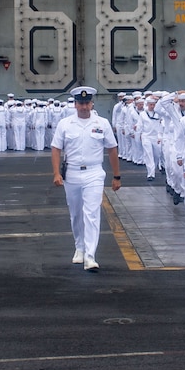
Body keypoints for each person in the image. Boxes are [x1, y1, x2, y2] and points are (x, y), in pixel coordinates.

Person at [50, 86, 121, 272]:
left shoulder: (102, 123)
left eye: (87, 103)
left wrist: (117, 175)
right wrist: (56, 173)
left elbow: (112, 149)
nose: (84, 107)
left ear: (92, 104)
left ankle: (90, 255)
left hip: (94, 172)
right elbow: (56, 149)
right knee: (76, 214)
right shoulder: (65, 124)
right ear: (75, 104)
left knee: (92, 213)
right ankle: (79, 247)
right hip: (72, 173)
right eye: (80, 103)